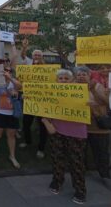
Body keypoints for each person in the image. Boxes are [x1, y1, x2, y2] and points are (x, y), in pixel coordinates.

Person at [42, 69, 87, 205]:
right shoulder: (52, 94)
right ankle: (57, 181)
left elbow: (94, 105)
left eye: (66, 78)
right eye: (60, 78)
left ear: (72, 80)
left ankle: (80, 190)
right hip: (57, 131)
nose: (63, 81)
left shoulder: (81, 92)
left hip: (76, 133)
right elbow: (43, 106)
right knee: (57, 158)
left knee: (76, 162)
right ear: (56, 81)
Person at [75, 66, 111, 191]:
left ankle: (105, 176)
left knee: (102, 153)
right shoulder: (72, 87)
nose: (81, 76)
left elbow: (109, 102)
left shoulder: (97, 86)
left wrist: (95, 96)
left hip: (98, 127)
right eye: (79, 75)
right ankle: (82, 171)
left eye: (84, 74)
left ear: (89, 76)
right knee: (80, 152)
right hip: (81, 126)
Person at [0, 64, 22, 169]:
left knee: (11, 135)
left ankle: (12, 156)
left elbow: (20, 87)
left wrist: (10, 78)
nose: (7, 72)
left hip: (12, 113)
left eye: (9, 70)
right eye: (5, 70)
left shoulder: (14, 82)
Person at [19, 38, 48, 159]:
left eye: (39, 55)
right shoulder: (29, 63)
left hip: (43, 101)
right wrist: (25, 46)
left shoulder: (48, 68)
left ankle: (41, 148)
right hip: (29, 99)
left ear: (42, 57)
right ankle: (27, 141)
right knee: (26, 123)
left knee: (42, 125)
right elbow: (23, 55)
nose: (36, 56)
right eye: (35, 54)